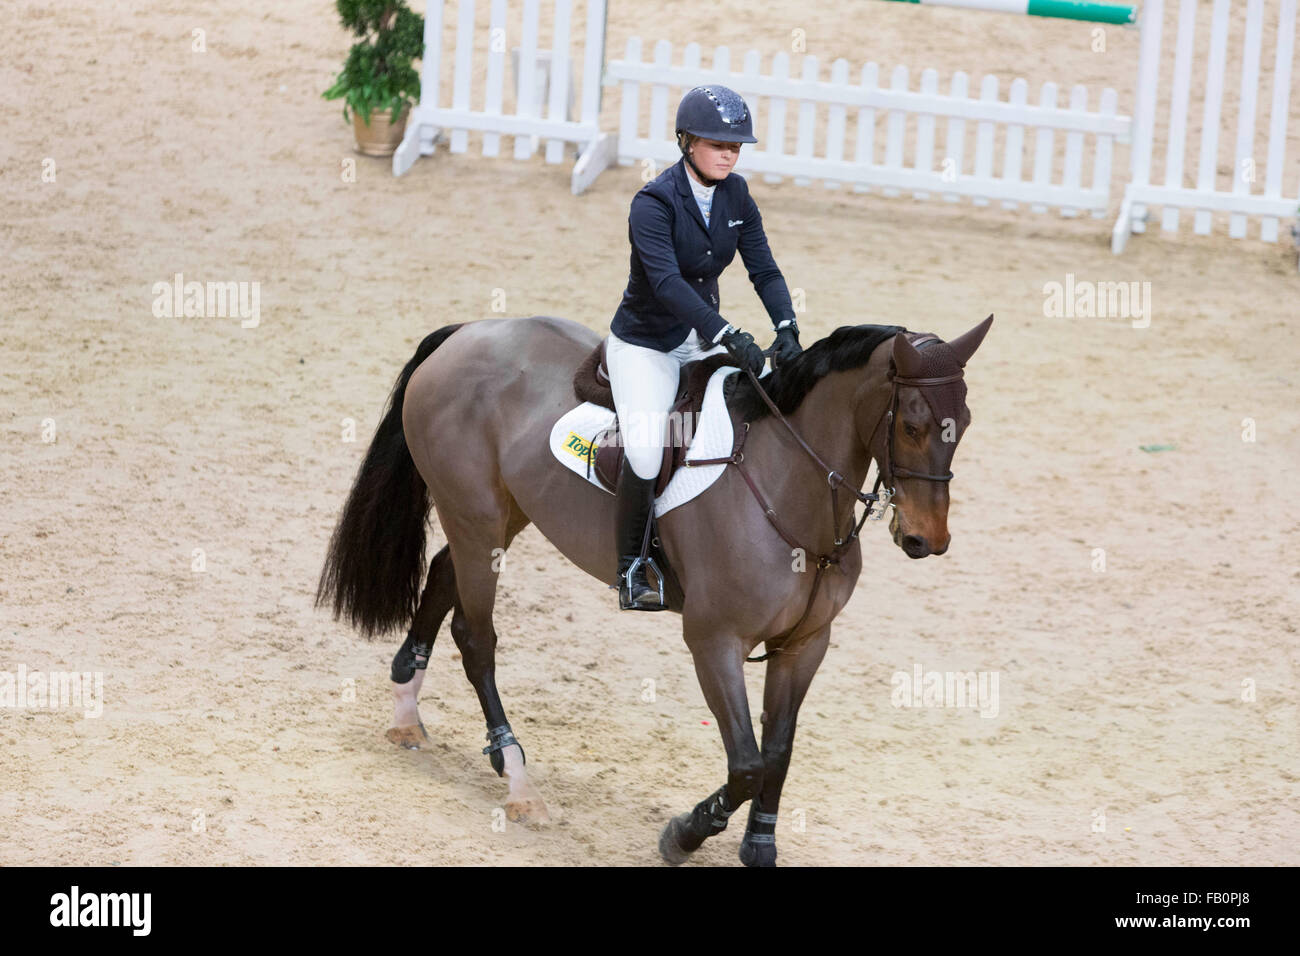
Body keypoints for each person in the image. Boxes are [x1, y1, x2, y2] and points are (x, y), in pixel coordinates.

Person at [607, 84, 803, 611]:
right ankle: (631, 568)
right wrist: (725, 334)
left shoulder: (737, 195)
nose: (728, 154)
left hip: (698, 339)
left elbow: (762, 267)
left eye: (735, 147)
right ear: (687, 141)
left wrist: (786, 326)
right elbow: (667, 283)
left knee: (763, 404)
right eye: (718, 144)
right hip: (647, 343)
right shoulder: (652, 203)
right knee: (648, 445)